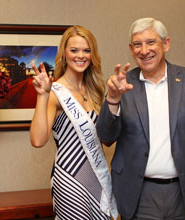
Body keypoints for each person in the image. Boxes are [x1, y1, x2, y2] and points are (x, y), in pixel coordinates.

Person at [96, 18, 185, 220]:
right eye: (137, 44)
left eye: (151, 42)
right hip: (139, 194)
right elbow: (106, 137)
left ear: (166, 44)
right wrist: (113, 99)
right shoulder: (122, 85)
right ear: (131, 50)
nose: (144, 50)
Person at [30, 25, 118, 220]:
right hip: (70, 178)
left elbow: (105, 138)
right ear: (64, 54)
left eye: (87, 50)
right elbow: (37, 140)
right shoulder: (55, 92)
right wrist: (42, 95)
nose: (81, 56)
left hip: (98, 179)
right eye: (74, 50)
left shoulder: (95, 90)